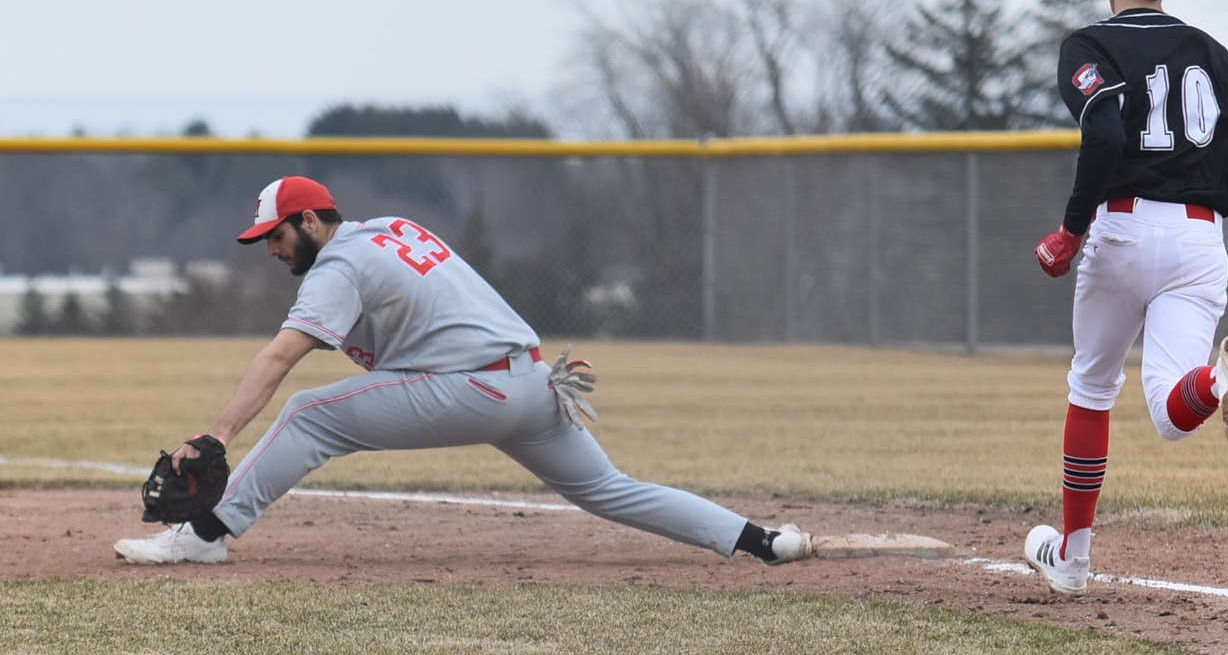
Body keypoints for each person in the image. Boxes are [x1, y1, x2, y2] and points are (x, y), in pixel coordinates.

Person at [114, 175, 817, 567]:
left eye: (273, 235)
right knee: (608, 488)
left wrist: (216, 438)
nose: (266, 249)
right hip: (536, 381)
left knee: (308, 414)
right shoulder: (391, 230)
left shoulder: (338, 265)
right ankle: (759, 540)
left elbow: (278, 356)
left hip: (475, 388)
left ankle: (202, 537)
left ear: (306, 221)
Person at [1028, 0, 1228, 595]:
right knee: (1170, 414)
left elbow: (1103, 133)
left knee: (1091, 386)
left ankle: (1071, 561)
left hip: (1123, 227)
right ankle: (1218, 382)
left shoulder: (1088, 45)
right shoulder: (1212, 52)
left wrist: (1072, 230)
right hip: (1198, 234)